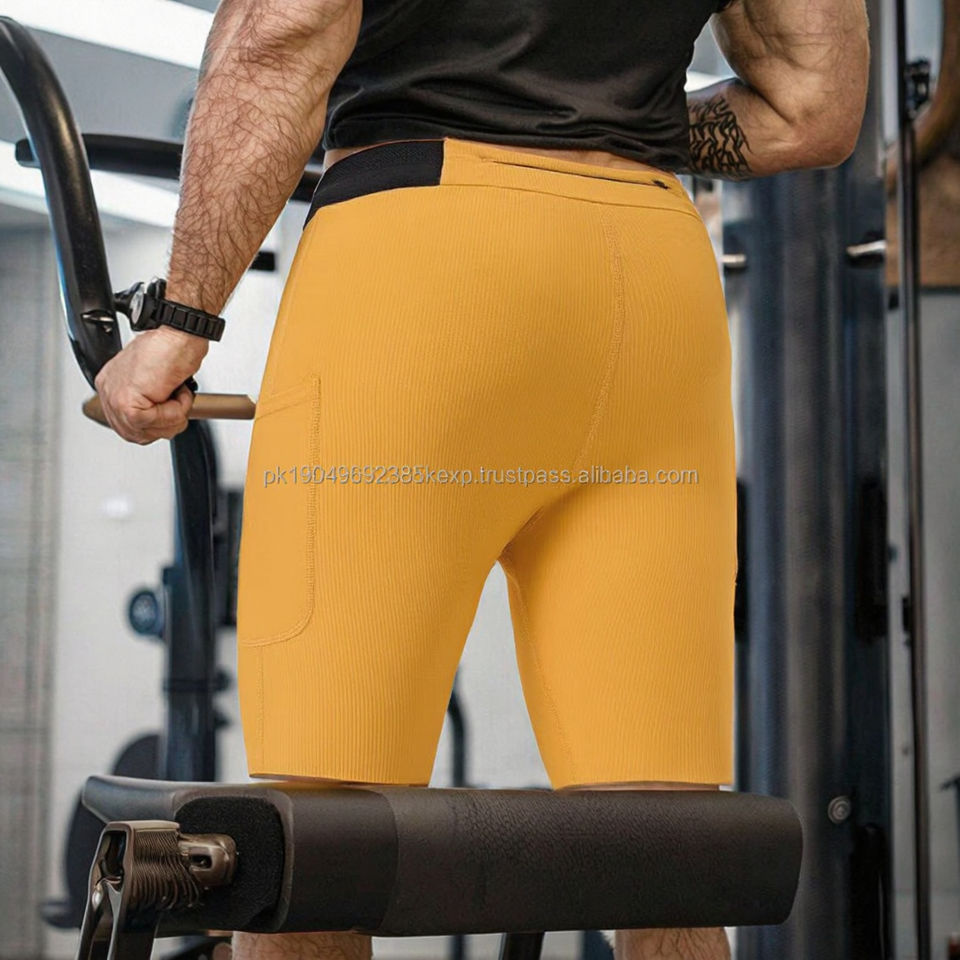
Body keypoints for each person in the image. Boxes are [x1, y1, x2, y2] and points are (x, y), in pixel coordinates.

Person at [93, 0, 869, 957]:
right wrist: (616, 124)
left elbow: (279, 38)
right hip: (653, 267)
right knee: (667, 846)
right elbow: (815, 109)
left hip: (422, 255)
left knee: (312, 842)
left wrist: (180, 323)